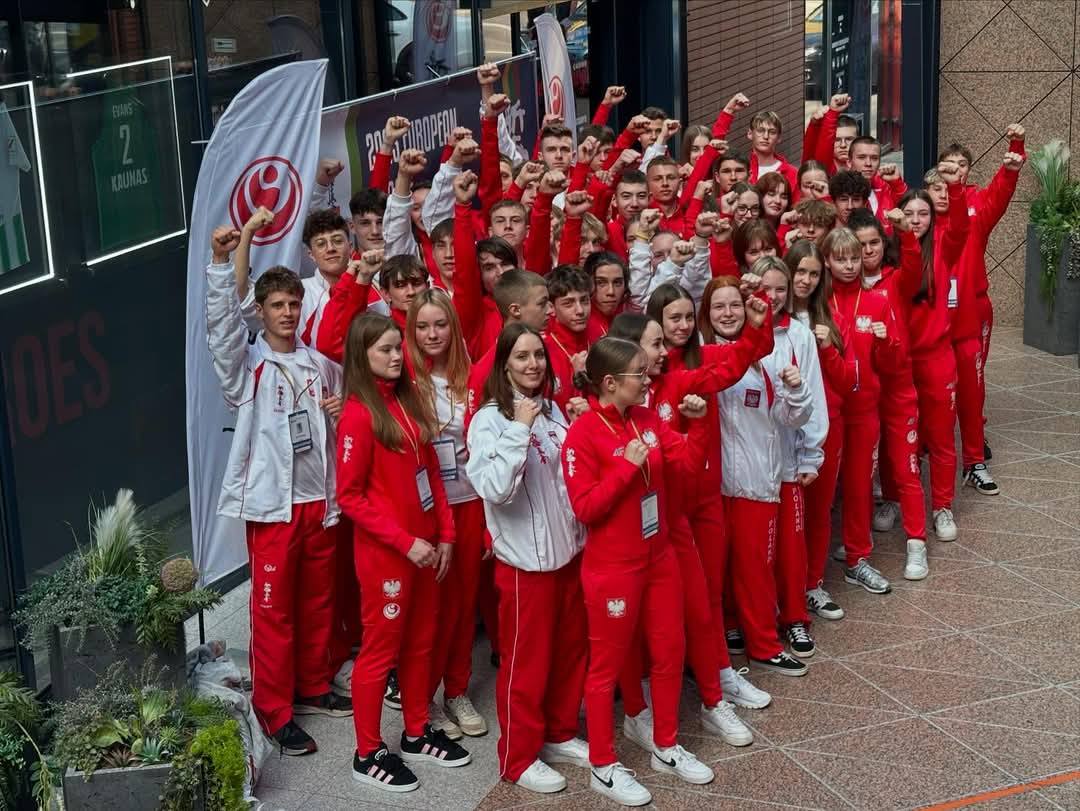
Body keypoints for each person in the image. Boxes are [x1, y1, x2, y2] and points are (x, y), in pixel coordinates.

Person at [205, 217, 350, 756]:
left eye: (293, 304)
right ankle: (274, 710)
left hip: (319, 503)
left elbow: (343, 417)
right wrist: (221, 265)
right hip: (273, 509)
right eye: (276, 306)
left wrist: (341, 410)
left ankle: (312, 684)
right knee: (274, 613)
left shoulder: (320, 366)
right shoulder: (247, 368)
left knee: (318, 603)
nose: (287, 313)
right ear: (261, 312)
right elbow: (222, 331)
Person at [564, 338, 717, 805]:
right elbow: (585, 508)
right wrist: (625, 471)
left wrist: (698, 423)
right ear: (611, 382)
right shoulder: (582, 434)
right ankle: (603, 765)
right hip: (613, 568)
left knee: (670, 650)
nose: (649, 380)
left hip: (659, 557)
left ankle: (666, 746)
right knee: (605, 667)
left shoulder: (647, 420)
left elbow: (687, 466)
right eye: (639, 373)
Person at [608, 309, 769, 746]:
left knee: (699, 608)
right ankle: (638, 708)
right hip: (626, 536)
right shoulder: (604, 412)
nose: (665, 351)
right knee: (633, 627)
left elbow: (728, 370)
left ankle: (715, 699)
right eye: (655, 344)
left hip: (674, 524)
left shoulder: (673, 386)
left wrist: (756, 326)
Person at [336, 312, 471, 792]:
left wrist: (446, 533)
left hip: (425, 550)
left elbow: (431, 470)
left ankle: (416, 732)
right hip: (389, 556)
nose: (397, 357)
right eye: (386, 350)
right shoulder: (358, 415)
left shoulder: (405, 400)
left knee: (421, 643)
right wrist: (404, 541)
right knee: (381, 651)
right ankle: (367, 752)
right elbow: (350, 497)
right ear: (363, 355)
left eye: (398, 348)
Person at [466, 322, 589, 795]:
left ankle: (559, 731)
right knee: (526, 664)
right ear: (503, 365)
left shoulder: (553, 409)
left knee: (570, 652)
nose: (533, 364)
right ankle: (517, 757)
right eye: (521, 356)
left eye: (538, 354)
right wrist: (519, 426)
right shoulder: (489, 421)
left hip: (568, 555)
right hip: (524, 566)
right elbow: (496, 489)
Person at [700, 277, 812, 675]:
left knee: (755, 570)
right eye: (719, 306)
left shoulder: (766, 358)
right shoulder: (700, 356)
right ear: (707, 313)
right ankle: (730, 629)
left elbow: (788, 417)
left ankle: (764, 644)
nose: (728, 313)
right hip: (711, 488)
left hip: (754, 483)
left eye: (735, 305)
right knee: (717, 571)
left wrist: (796, 392)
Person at [405, 289, 489, 741]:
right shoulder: (404, 380)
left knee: (462, 606)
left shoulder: (469, 378)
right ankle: (423, 700)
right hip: (427, 510)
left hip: (470, 501)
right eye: (423, 326)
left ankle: (457, 691)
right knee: (429, 612)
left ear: (453, 329)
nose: (432, 334)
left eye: (440, 325)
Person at [750, 256, 828, 655]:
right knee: (752, 554)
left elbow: (813, 394)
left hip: (787, 457)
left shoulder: (799, 335)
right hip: (747, 464)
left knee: (791, 547)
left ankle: (795, 618)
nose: (774, 296)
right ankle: (750, 622)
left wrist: (811, 453)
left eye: (781, 288)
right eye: (766, 288)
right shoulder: (737, 332)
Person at [847, 208, 931, 579]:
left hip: (897, 389)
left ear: (884, 244)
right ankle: (856, 542)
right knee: (861, 473)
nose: (868, 251)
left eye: (874, 243)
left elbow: (913, 262)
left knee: (906, 467)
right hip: (861, 393)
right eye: (860, 245)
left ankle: (917, 543)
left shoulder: (896, 279)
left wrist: (906, 232)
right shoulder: (840, 288)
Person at [820, 227, 901, 592]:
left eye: (855, 258)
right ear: (827, 261)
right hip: (826, 413)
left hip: (864, 409)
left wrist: (886, 343)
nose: (850, 265)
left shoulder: (877, 300)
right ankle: (810, 573)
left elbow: (890, 365)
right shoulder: (818, 304)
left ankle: (857, 558)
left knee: (859, 487)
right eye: (841, 259)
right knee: (821, 494)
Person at [898, 164, 970, 542]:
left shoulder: (944, 247)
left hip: (937, 357)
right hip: (899, 361)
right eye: (909, 213)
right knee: (900, 438)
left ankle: (942, 505)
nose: (916, 220)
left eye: (923, 213)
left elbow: (960, 226)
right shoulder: (890, 253)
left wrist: (955, 187)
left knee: (941, 437)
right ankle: (893, 498)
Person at [786, 239, 853, 620]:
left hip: (827, 428)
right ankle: (786, 588)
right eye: (800, 271)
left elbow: (847, 382)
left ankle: (813, 584)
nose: (806, 280)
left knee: (819, 510)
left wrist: (827, 348)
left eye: (813, 274)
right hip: (783, 429)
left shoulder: (830, 317)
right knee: (786, 515)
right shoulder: (772, 318)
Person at [584, 251, 631, 338]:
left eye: (617, 283)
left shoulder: (628, 322)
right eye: (601, 283)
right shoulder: (580, 325)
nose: (611, 292)